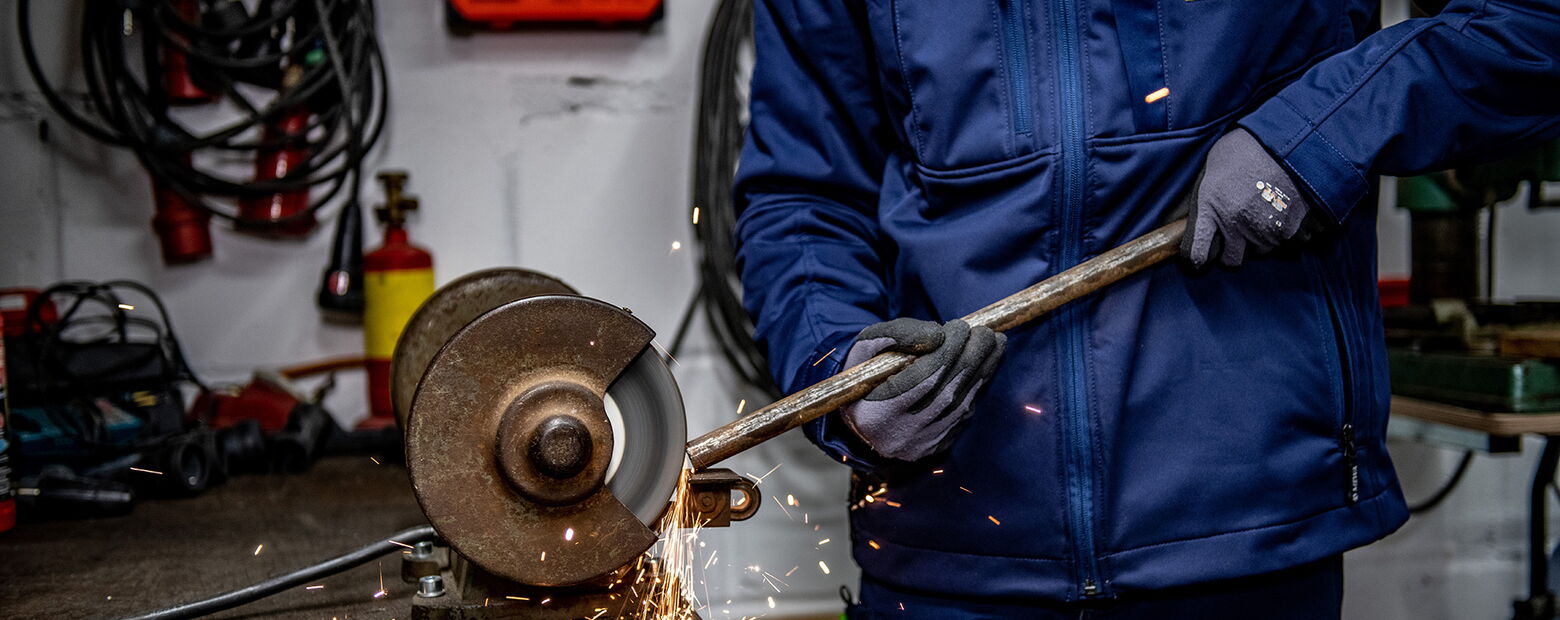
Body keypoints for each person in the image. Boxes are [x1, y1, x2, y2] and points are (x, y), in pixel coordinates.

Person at [732, 0, 1560, 617]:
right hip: (952, 555)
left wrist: (1324, 132)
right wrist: (840, 374)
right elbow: (802, 197)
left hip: (1243, 539)